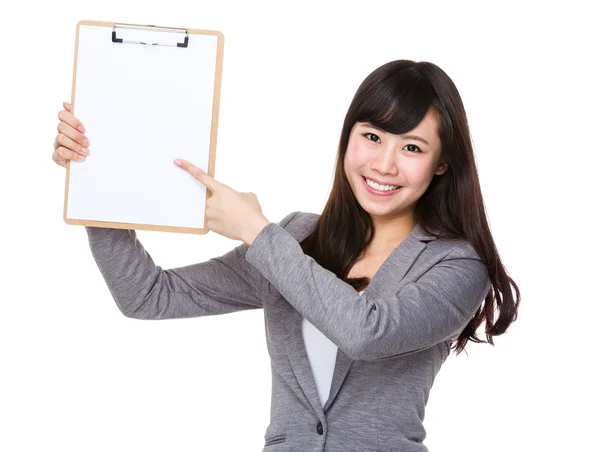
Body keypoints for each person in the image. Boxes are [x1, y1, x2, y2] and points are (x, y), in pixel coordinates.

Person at [52, 59, 520, 451]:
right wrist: (98, 182)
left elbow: (366, 332)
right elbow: (148, 296)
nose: (384, 164)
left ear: (441, 163)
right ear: (347, 138)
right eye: (372, 137)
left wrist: (258, 233)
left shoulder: (457, 263)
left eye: (412, 147)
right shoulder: (298, 236)